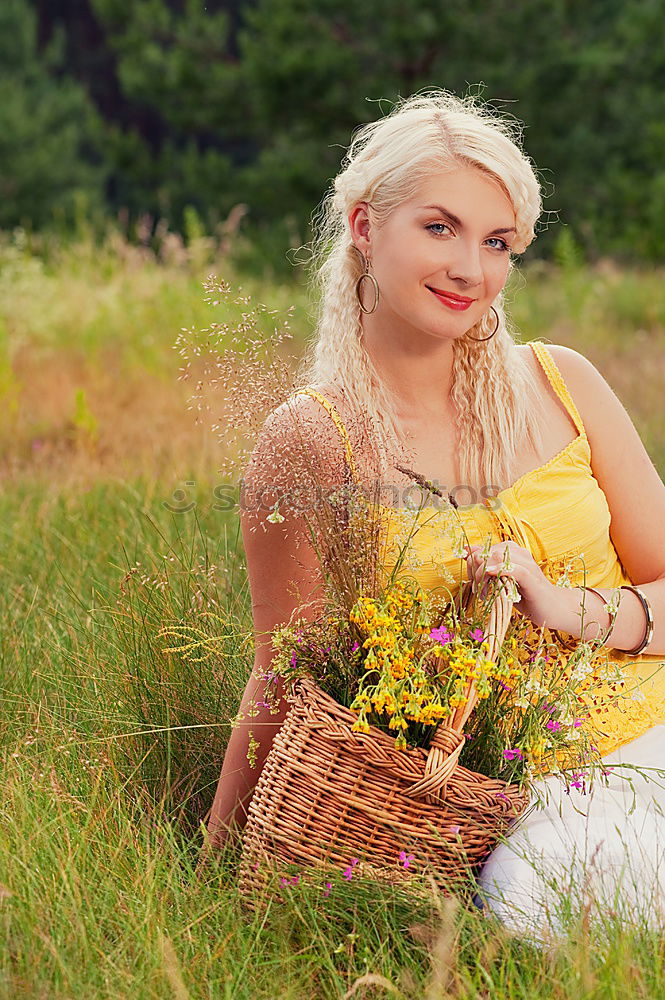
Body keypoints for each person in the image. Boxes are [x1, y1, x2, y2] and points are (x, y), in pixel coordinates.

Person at [204, 90, 665, 938]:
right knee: (539, 902)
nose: (471, 269)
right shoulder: (312, 440)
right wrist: (212, 867)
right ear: (363, 225)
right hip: (528, 793)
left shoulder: (560, 379)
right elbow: (285, 675)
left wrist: (574, 613)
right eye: (440, 228)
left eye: (497, 243)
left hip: (658, 727)